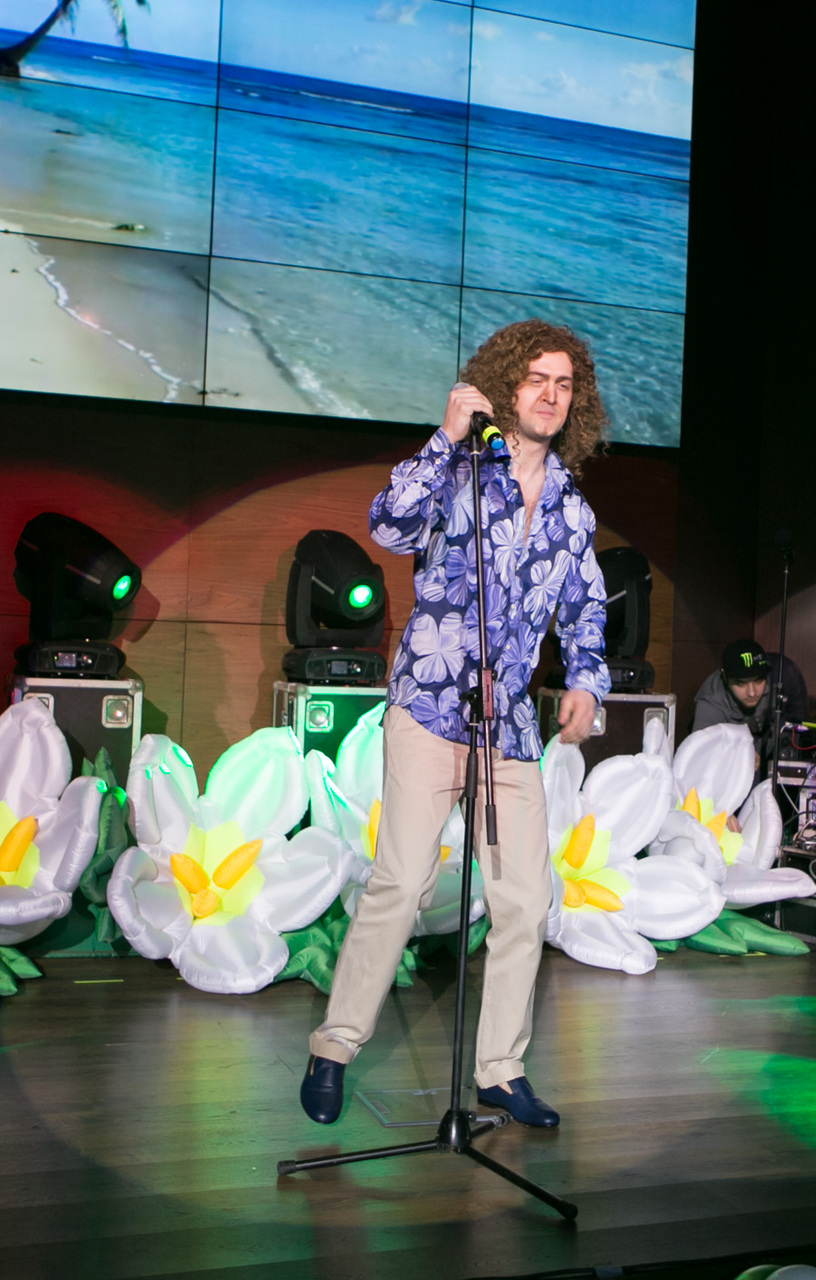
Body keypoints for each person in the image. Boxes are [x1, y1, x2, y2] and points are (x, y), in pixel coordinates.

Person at [299, 319, 612, 1130]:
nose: (550, 395)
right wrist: (443, 438)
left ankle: (500, 1070)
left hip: (508, 728)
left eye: (564, 384)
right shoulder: (458, 471)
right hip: (430, 709)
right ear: (506, 386)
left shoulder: (573, 510)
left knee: (525, 901)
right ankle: (335, 1045)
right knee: (400, 882)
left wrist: (585, 682)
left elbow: (585, 612)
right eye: (536, 379)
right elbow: (389, 526)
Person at [688, 639, 806, 773]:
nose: (752, 693)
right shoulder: (710, 701)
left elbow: (799, 723)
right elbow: (701, 755)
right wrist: (737, 753)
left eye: (759, 680)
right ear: (724, 676)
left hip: (778, 740)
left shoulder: (786, 673)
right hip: (733, 756)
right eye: (740, 683)